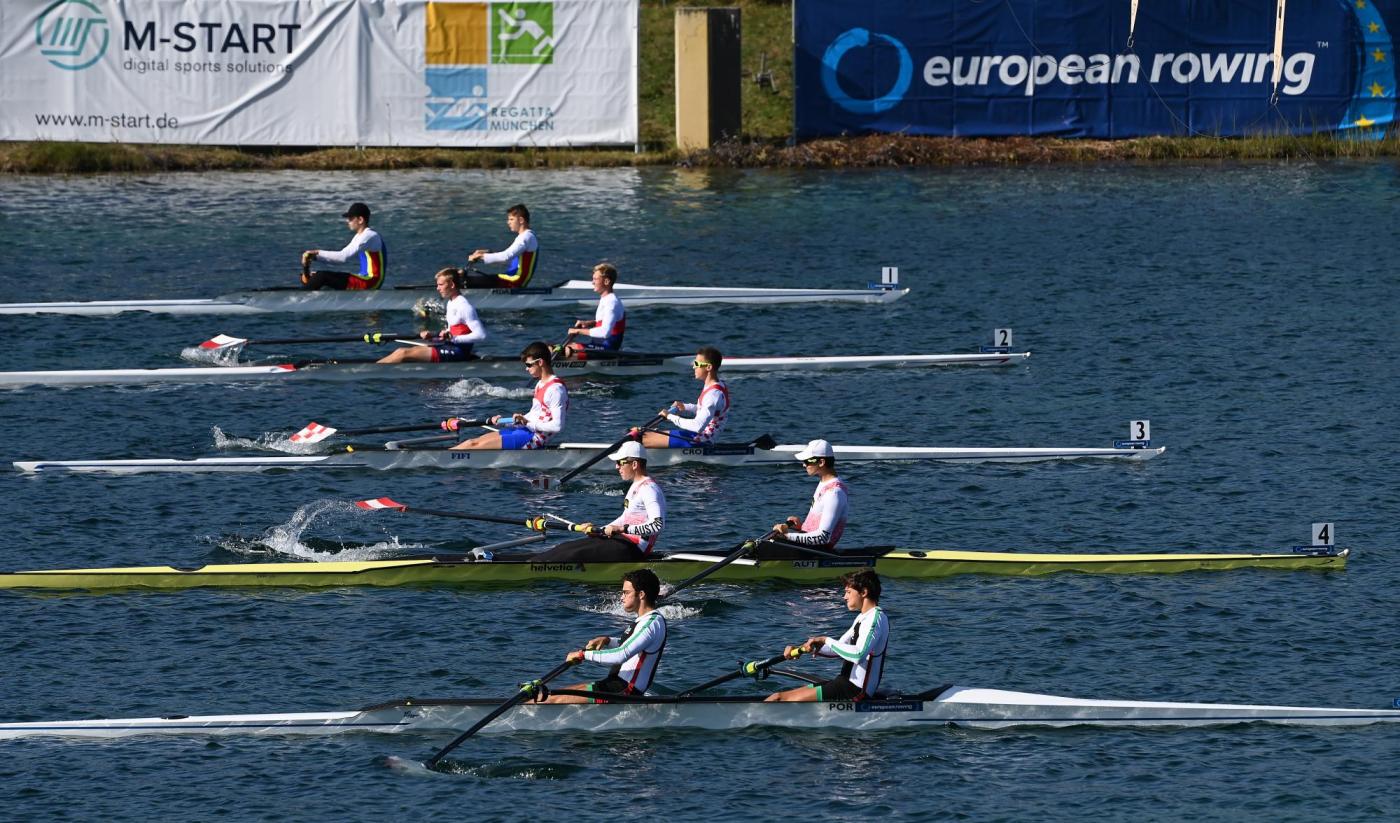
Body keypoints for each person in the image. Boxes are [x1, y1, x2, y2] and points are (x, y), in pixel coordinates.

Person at [538, 569, 667, 704]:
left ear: (641, 595)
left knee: (553, 699)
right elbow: (631, 645)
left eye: (626, 592)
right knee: (552, 695)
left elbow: (621, 654)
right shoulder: (645, 621)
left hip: (624, 691)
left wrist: (583, 655)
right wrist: (607, 640)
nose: (621, 598)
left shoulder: (651, 624)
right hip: (615, 685)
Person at [530, 441, 666, 563]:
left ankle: (534, 567)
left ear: (634, 464)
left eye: (620, 462)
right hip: (621, 540)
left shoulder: (649, 489)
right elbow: (625, 518)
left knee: (574, 553)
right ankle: (533, 562)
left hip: (634, 548)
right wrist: (600, 530)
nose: (616, 467)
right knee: (564, 547)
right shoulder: (636, 485)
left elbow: (658, 525)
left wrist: (621, 529)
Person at [765, 570, 888, 703]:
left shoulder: (876, 618)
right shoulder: (862, 617)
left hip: (854, 692)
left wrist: (825, 639)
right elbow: (838, 649)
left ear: (863, 592)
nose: (844, 597)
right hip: (843, 684)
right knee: (777, 696)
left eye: (848, 592)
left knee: (778, 698)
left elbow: (858, 655)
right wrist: (805, 648)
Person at [450, 341, 566, 450]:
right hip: (524, 431)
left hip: (533, 438)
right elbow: (534, 415)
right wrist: (506, 421)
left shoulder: (556, 389)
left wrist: (527, 423)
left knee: (472, 445)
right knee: (472, 441)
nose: (526, 369)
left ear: (540, 362)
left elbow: (557, 426)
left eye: (529, 364)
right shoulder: (540, 384)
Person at [755, 439, 849, 559]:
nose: (804, 465)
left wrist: (787, 536)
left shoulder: (834, 493)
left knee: (761, 549)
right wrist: (801, 527)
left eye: (807, 461)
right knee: (757, 545)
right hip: (809, 547)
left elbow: (823, 537)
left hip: (818, 551)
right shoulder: (824, 483)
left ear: (821, 462)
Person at [377, 269, 486, 363]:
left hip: (458, 352)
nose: (437, 288)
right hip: (449, 346)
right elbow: (453, 330)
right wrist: (435, 336)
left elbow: (481, 335)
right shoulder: (451, 302)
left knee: (402, 353)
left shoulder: (464, 306)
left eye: (441, 285)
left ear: (452, 285)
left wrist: (454, 338)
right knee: (402, 351)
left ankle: (372, 371)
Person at [641, 346, 728, 449]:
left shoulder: (713, 395)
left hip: (700, 440)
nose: (694, 367)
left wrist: (670, 417)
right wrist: (685, 407)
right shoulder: (717, 385)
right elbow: (705, 409)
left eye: (697, 364)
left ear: (708, 367)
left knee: (642, 439)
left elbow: (698, 426)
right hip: (697, 437)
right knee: (644, 435)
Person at [301, 202, 387, 290]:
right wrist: (314, 257)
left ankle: (301, 295)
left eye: (350, 218)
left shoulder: (369, 236)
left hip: (371, 282)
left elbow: (343, 257)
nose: (347, 221)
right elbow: (340, 258)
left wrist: (316, 253)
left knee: (321, 276)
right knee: (313, 276)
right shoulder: (360, 236)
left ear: (360, 220)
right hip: (364, 278)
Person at [458, 203, 539, 289]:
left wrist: (481, 256)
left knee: (464, 281)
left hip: (514, 281)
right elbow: (511, 260)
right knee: (469, 280)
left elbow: (506, 257)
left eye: (511, 219)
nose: (508, 222)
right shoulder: (526, 236)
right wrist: (487, 253)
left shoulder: (526, 237)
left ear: (521, 220)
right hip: (511, 279)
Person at [560, 263, 625, 358]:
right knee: (550, 347)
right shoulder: (606, 299)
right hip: (598, 346)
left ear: (606, 281)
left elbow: (605, 332)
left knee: (565, 350)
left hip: (607, 350)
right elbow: (606, 322)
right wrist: (588, 323)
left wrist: (578, 331)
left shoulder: (611, 303)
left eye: (595, 279)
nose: (592, 282)